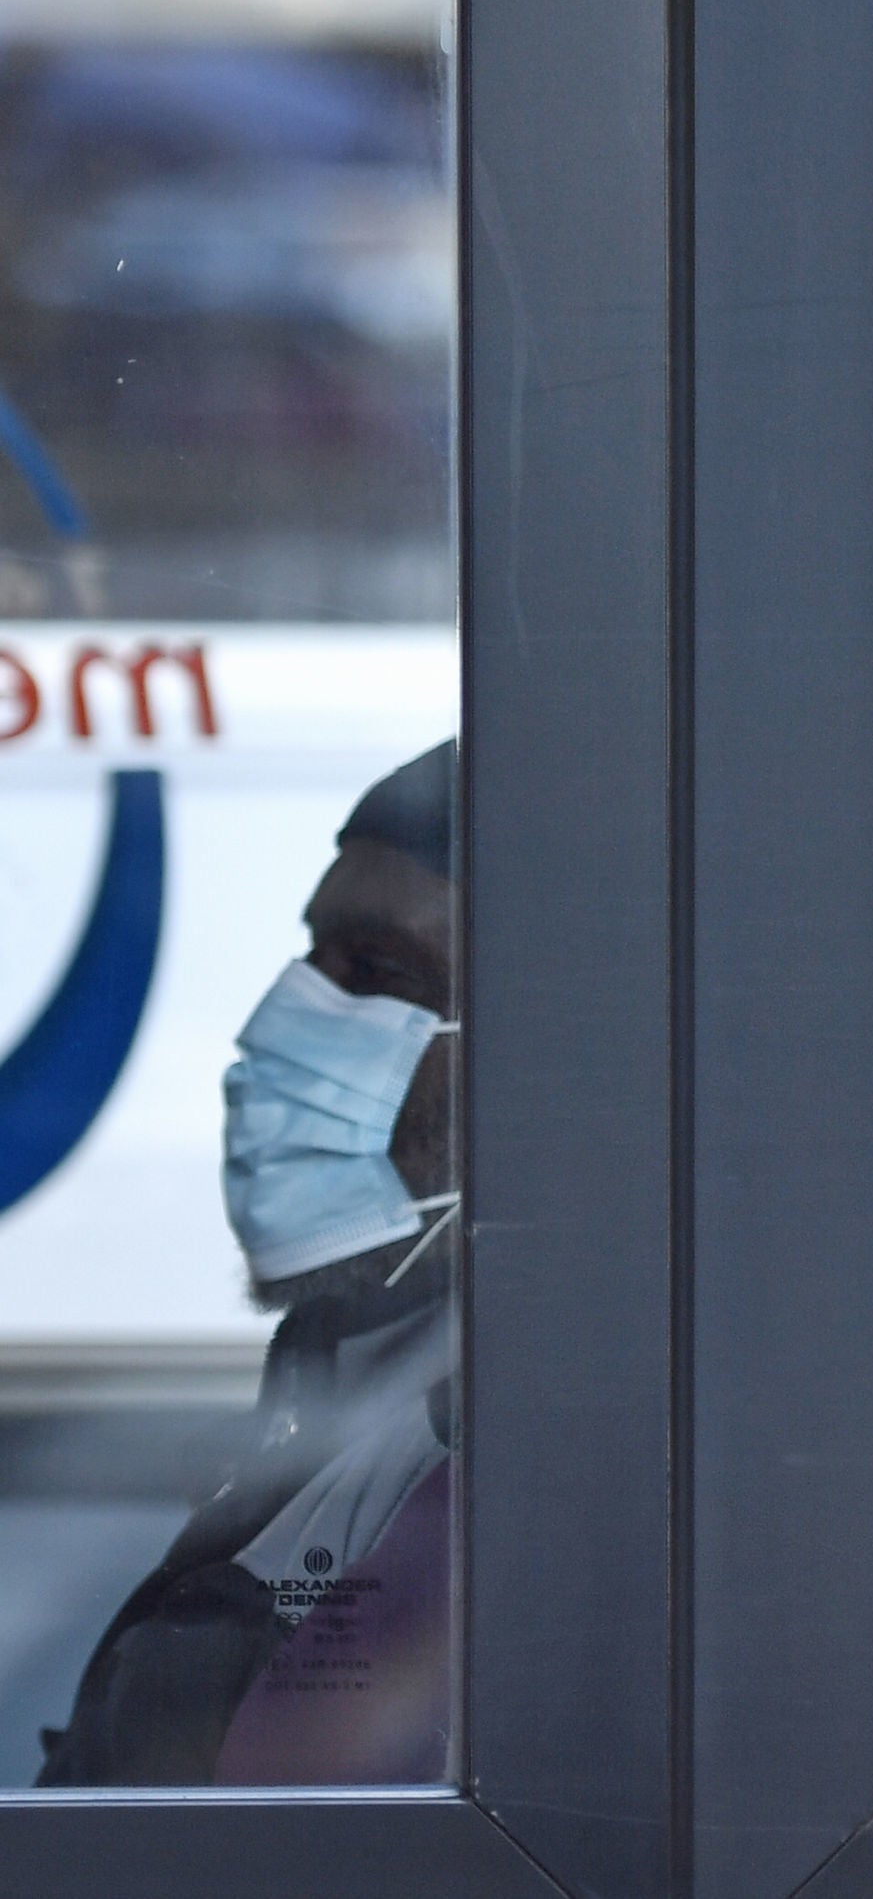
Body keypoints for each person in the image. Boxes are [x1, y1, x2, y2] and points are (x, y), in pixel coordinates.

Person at [38, 742, 457, 1786]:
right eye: (312, 956)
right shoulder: (360, 1365)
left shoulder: (592, 1440)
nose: (273, 1026)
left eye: (378, 971)